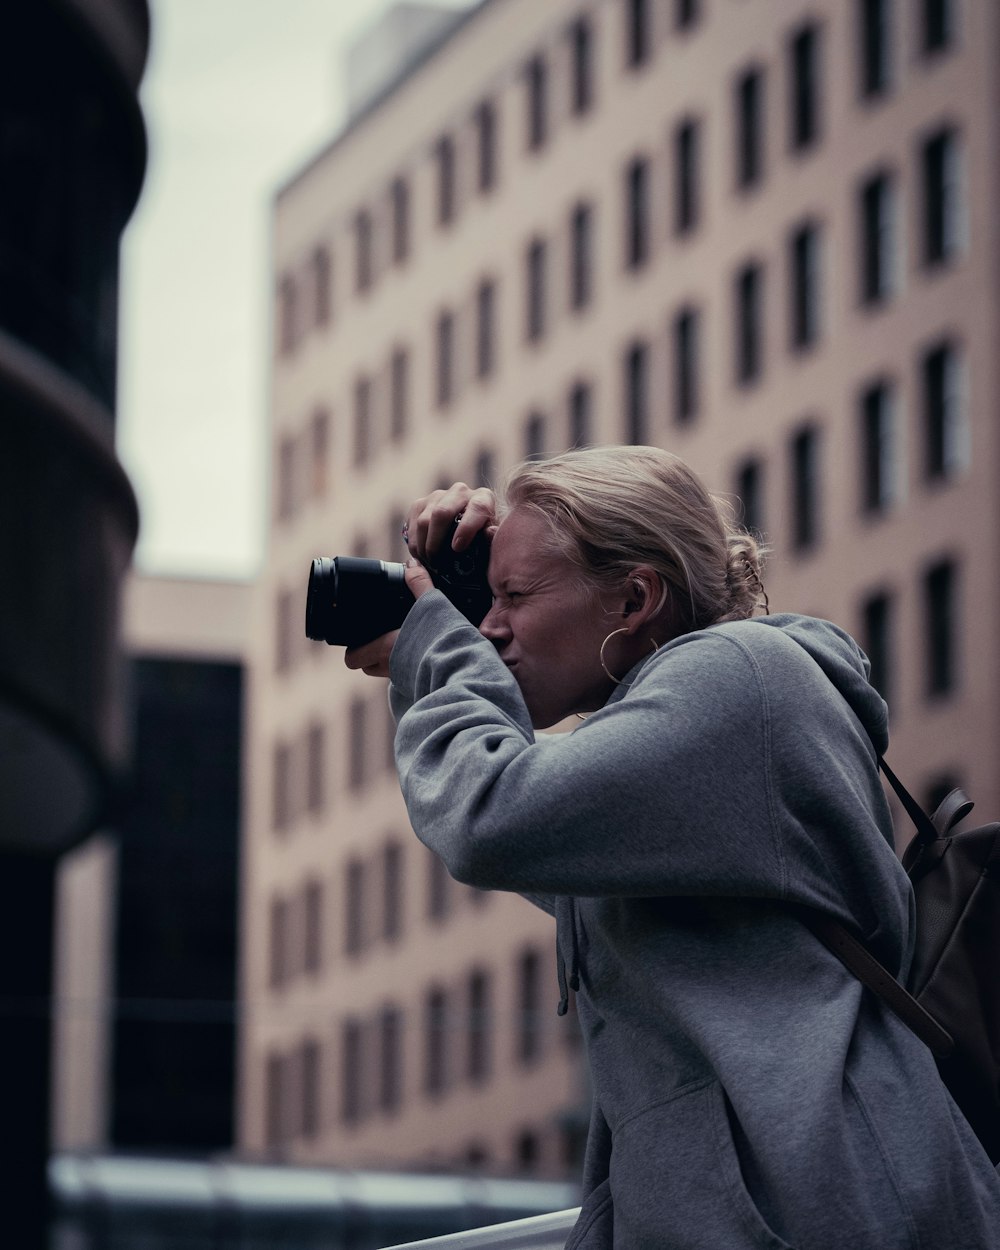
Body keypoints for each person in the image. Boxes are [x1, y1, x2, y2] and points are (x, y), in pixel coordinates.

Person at [345, 445, 1000, 1249]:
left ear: (636, 597)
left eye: (514, 594)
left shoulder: (732, 677)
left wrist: (437, 650)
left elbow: (490, 818)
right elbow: (528, 842)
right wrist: (438, 628)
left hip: (820, 1205)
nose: (490, 626)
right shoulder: (683, 736)